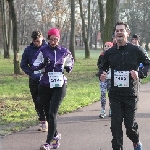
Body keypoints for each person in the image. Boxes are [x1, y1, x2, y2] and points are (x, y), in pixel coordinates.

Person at [100, 22, 150, 150]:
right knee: (115, 126)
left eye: (122, 30)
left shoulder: (136, 50)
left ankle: (136, 141)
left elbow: (147, 64)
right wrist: (102, 74)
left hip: (130, 94)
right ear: (114, 34)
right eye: (117, 31)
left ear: (127, 33)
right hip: (115, 94)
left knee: (130, 126)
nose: (119, 33)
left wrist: (139, 73)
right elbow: (102, 67)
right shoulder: (110, 52)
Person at [31, 28, 74, 150]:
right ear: (48, 39)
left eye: (56, 39)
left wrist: (68, 67)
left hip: (59, 85)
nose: (54, 42)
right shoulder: (42, 50)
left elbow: (71, 61)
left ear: (59, 39)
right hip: (45, 84)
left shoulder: (64, 51)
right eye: (51, 39)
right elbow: (34, 63)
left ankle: (48, 142)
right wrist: (42, 64)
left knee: (52, 112)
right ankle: (55, 136)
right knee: (48, 113)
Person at [20, 30, 47, 132]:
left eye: (38, 41)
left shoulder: (47, 48)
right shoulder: (28, 50)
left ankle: (47, 121)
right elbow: (23, 64)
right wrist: (31, 73)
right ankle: (42, 121)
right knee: (36, 101)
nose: (37, 43)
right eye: (35, 41)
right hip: (34, 79)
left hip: (46, 79)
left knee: (43, 100)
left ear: (42, 38)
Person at [97, 42, 113, 118]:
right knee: (103, 94)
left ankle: (111, 109)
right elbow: (99, 65)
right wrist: (101, 72)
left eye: (108, 46)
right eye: (105, 46)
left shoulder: (114, 56)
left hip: (111, 78)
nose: (106, 47)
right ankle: (102, 110)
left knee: (111, 94)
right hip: (103, 78)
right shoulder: (101, 55)